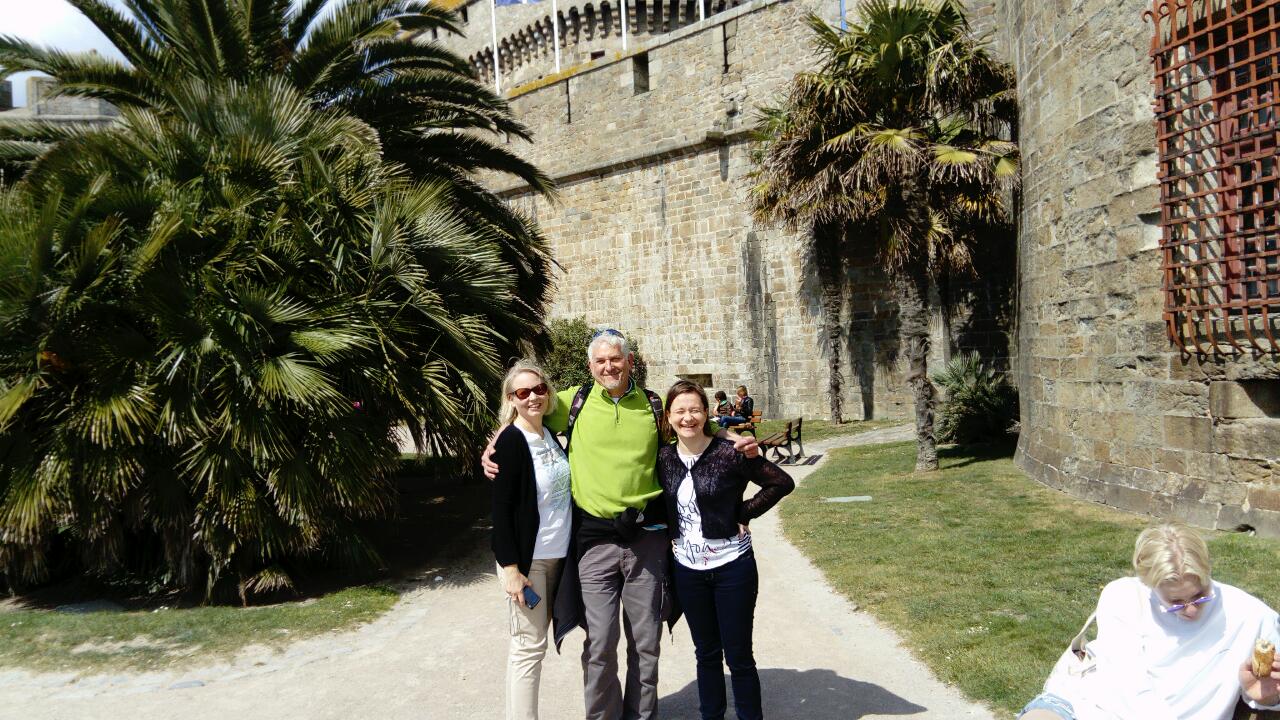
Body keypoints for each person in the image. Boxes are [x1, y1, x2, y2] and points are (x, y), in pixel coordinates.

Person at [483, 329, 758, 720]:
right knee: (599, 643)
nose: (608, 367)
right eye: (600, 361)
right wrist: (493, 445)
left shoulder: (652, 404)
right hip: (594, 541)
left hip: (646, 539)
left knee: (645, 643)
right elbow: (523, 414)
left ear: (629, 361)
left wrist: (727, 433)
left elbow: (689, 422)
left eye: (615, 359)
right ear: (590, 366)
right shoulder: (572, 402)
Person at [1020, 523, 1280, 720]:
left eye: (1200, 596)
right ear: (1149, 584)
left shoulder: (1253, 616)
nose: (1190, 610)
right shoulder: (1124, 596)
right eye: (1175, 602)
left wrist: (1268, 697)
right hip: (1087, 706)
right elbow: (1128, 688)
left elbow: (1267, 696)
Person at [657, 380, 793, 720]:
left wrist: (743, 513)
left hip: (732, 566)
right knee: (706, 653)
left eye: (695, 410)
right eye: (680, 411)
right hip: (688, 570)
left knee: (738, 656)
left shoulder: (730, 453)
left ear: (707, 413)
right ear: (668, 416)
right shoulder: (664, 458)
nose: (688, 418)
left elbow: (780, 482)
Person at [490, 361, 572, 720]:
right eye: (523, 392)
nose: (533, 397)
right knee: (528, 648)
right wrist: (510, 568)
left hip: (557, 556)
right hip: (528, 561)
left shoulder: (550, 435)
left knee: (532, 647)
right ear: (511, 399)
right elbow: (501, 509)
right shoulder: (511, 440)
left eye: (539, 389)